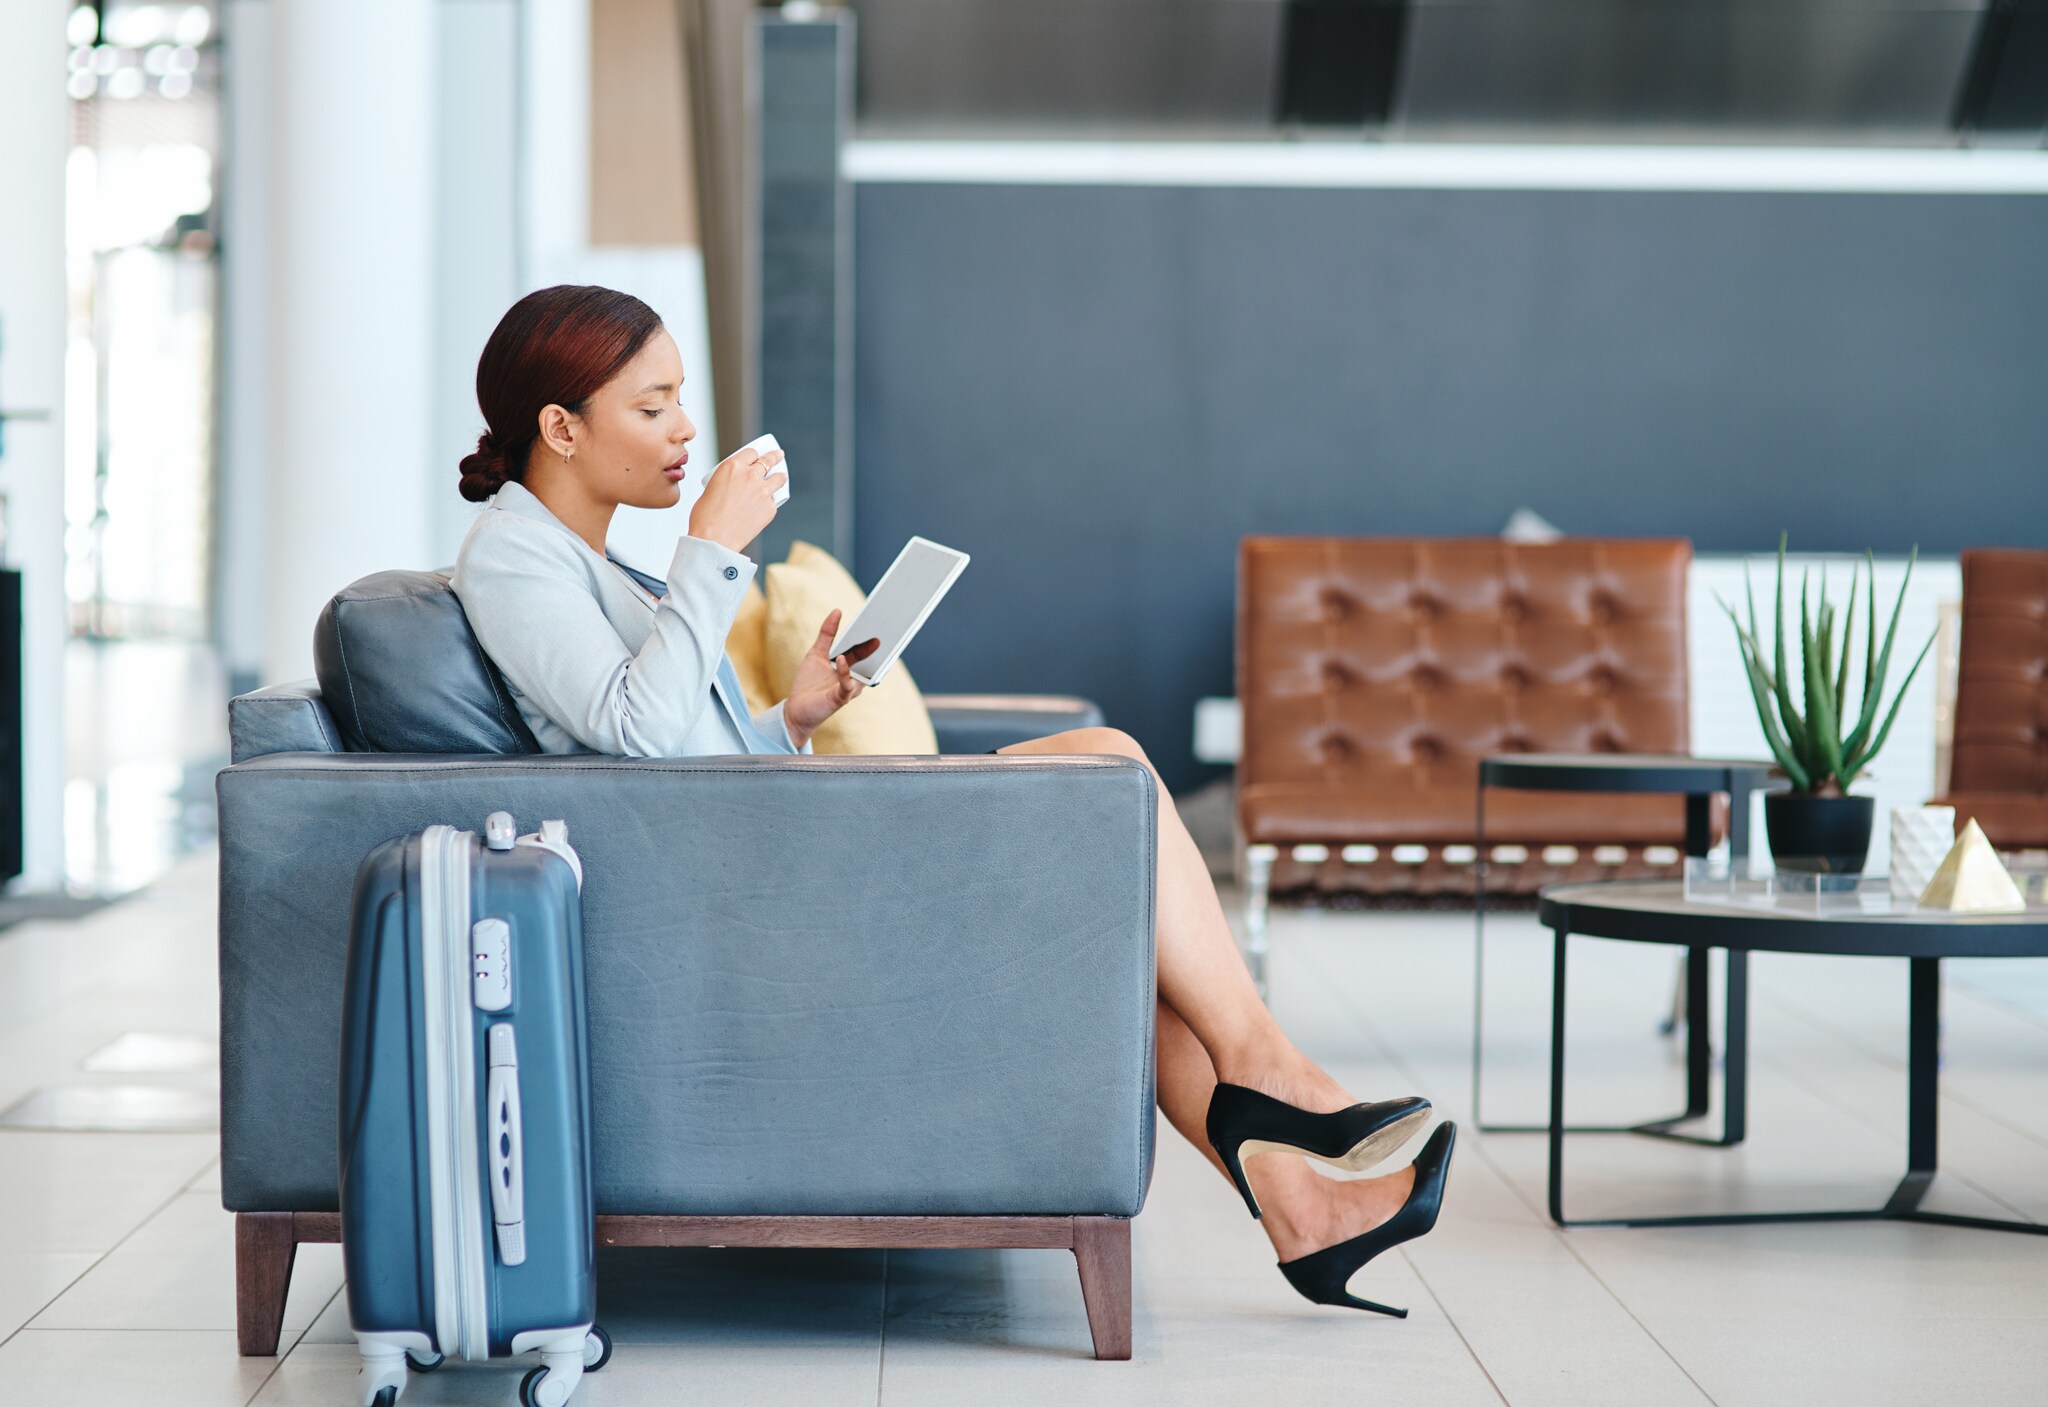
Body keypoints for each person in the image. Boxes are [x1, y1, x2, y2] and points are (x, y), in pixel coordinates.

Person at [451, 285, 1456, 1314]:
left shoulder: (587, 559)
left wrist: (789, 718)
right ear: (562, 428)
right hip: (747, 894)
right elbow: (632, 737)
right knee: (1105, 762)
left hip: (759, 846)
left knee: (1118, 900)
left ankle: (1307, 1212)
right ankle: (1272, 1075)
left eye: (680, 401)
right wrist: (711, 554)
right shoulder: (513, 561)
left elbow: (671, 750)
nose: (687, 430)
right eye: (653, 406)